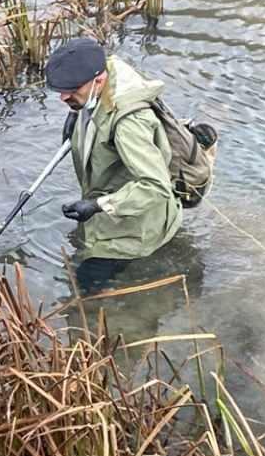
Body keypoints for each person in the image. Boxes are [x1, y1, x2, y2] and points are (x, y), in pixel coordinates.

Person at [44, 37, 182, 291]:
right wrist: (77, 115)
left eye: (72, 89)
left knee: (85, 288)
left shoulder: (129, 124)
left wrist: (97, 205)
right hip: (114, 213)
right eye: (61, 90)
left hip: (131, 230)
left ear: (98, 81)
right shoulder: (104, 76)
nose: (63, 97)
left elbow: (155, 186)